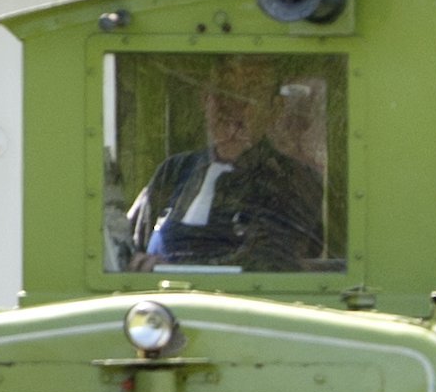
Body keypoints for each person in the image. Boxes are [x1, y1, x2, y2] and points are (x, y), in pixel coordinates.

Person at [125, 58, 327, 271]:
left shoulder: (292, 179)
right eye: (222, 88)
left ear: (275, 109)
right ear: (205, 100)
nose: (232, 104)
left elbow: (269, 262)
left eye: (250, 90)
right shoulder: (174, 171)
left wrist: (170, 269)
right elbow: (128, 245)